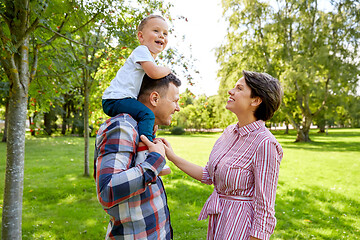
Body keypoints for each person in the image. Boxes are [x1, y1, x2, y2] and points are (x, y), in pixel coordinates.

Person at [142, 70, 283, 240]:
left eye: (239, 88)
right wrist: (171, 156)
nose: (231, 91)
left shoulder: (265, 143)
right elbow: (209, 175)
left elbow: (265, 209)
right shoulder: (230, 132)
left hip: (242, 229)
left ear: (256, 100)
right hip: (218, 222)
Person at [94, 73, 181, 240]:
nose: (177, 108)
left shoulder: (146, 129)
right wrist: (155, 161)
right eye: (175, 101)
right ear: (154, 99)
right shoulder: (123, 126)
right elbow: (107, 190)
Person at [102, 14, 171, 172]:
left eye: (165, 33)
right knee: (147, 115)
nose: (161, 35)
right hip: (115, 99)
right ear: (141, 36)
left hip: (121, 99)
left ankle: (144, 154)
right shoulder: (141, 51)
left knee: (146, 119)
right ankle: (147, 158)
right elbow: (154, 73)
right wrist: (167, 69)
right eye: (156, 30)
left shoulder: (147, 57)